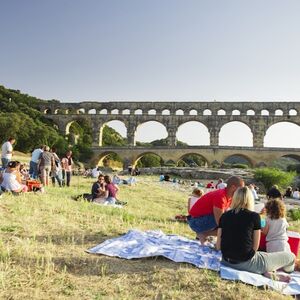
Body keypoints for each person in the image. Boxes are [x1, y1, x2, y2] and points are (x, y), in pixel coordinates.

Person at [217, 186, 295, 282]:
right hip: (247, 262)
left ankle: (267, 270)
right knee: (291, 257)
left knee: (264, 257)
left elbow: (218, 246)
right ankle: (286, 271)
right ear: (250, 199)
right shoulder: (254, 216)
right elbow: (255, 248)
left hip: (226, 261)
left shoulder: (224, 216)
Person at [188, 176, 244, 244]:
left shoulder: (229, 197)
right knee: (227, 223)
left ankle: (204, 235)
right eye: (241, 189)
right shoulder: (220, 196)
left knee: (231, 220)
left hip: (201, 219)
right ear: (233, 187)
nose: (242, 192)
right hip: (195, 221)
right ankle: (204, 234)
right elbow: (220, 223)